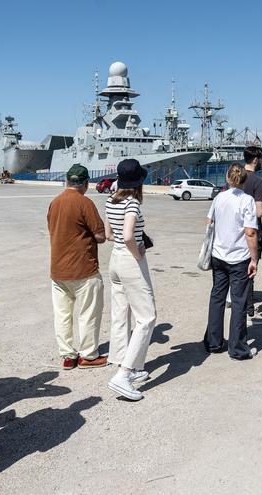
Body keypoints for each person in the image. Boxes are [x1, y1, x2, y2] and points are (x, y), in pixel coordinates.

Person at [104, 159, 157, 401]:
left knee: (120, 313)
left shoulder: (110, 199)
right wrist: (139, 252)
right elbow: (127, 236)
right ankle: (124, 375)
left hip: (114, 260)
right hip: (129, 260)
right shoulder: (132, 203)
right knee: (146, 317)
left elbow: (108, 234)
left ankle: (123, 364)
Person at [47, 165, 107, 370]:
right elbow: (100, 237)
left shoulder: (55, 203)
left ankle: (68, 356)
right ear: (85, 184)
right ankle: (88, 356)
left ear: (66, 181)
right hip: (83, 268)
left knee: (62, 315)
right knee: (88, 313)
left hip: (58, 270)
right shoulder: (85, 203)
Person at [203, 164, 259, 360]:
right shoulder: (247, 200)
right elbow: (250, 232)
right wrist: (254, 258)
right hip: (239, 257)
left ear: (227, 179)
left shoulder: (219, 197)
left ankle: (213, 341)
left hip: (219, 255)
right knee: (238, 302)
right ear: (244, 180)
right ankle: (237, 347)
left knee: (217, 298)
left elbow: (209, 222)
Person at [241, 146, 262, 320]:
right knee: (250, 270)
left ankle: (241, 303)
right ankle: (248, 307)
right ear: (256, 160)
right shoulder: (257, 182)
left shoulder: (235, 177)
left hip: (233, 232)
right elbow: (258, 212)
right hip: (251, 231)